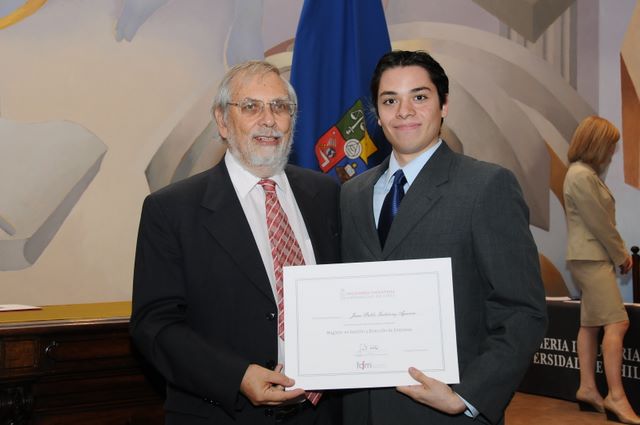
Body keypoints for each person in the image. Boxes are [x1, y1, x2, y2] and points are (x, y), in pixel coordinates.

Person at [340, 50, 547, 425]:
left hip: (445, 411)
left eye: (419, 97)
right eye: (390, 100)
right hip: (361, 410)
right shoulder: (351, 193)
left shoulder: (486, 186)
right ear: (377, 114)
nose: (404, 111)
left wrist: (467, 396)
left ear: (444, 105)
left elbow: (522, 310)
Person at [131, 61, 341, 425]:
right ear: (223, 121)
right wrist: (237, 376)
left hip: (322, 415)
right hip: (225, 413)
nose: (268, 120)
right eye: (250, 107)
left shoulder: (326, 195)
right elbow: (154, 325)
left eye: (280, 107)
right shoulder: (171, 210)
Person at [564, 115, 639, 424]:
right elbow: (600, 223)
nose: (611, 152)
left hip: (588, 257)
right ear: (596, 144)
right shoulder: (582, 175)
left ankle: (587, 388)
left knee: (590, 325)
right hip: (592, 258)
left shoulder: (582, 174)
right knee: (617, 324)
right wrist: (621, 254)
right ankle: (616, 397)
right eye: (610, 145)